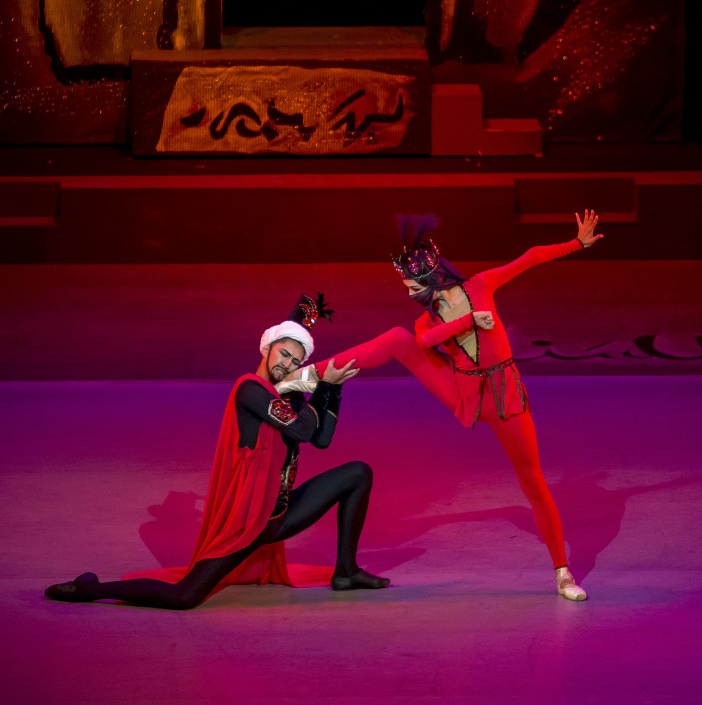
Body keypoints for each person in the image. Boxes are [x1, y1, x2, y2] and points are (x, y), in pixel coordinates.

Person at [296, 210, 604, 601]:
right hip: (462, 393)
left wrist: (575, 244)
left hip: (504, 398)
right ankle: (306, 375)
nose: (409, 294)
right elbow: (425, 342)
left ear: (431, 279)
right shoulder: (427, 321)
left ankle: (562, 574)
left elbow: (528, 259)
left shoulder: (482, 285)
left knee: (534, 483)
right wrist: (470, 321)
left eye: (412, 286)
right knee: (397, 339)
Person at [45, 294, 389, 610]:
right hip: (249, 524)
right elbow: (300, 430)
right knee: (184, 597)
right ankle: (88, 589)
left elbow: (321, 439)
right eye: (284, 354)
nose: (287, 364)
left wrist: (335, 390)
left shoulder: (288, 397)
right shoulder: (250, 389)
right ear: (267, 348)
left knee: (358, 473)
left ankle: (346, 571)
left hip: (280, 516)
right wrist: (323, 385)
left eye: (296, 360)